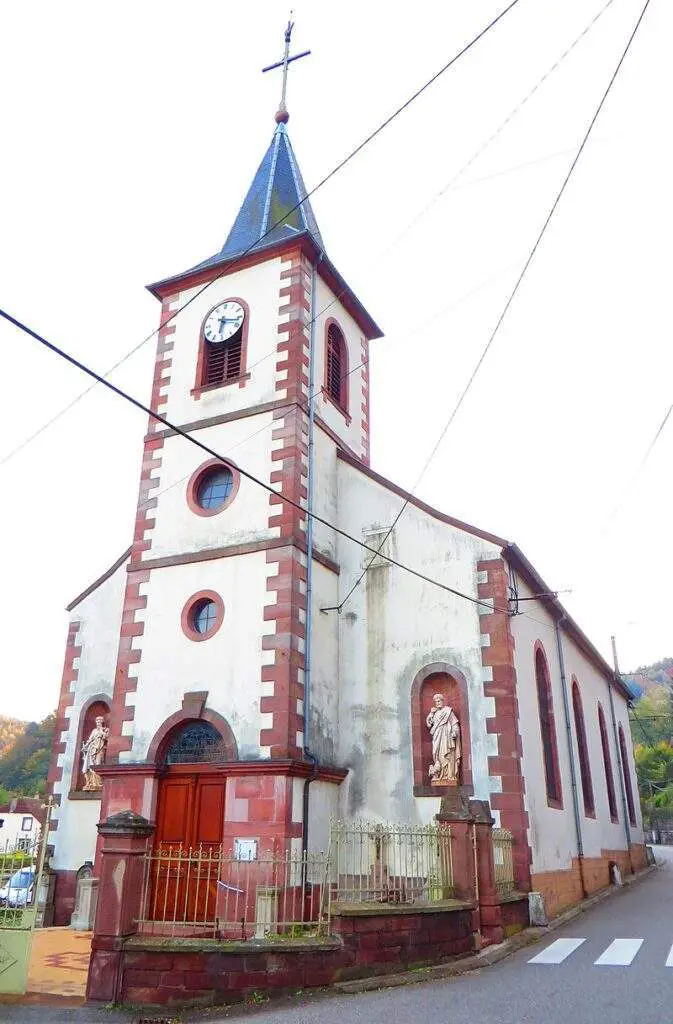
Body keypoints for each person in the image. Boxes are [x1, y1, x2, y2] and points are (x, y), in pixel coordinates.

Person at [426, 694, 461, 784]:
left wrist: (454, 732)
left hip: (447, 737)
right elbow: (429, 724)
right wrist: (431, 714)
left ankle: (449, 776)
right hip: (437, 736)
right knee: (436, 753)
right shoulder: (435, 713)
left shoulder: (448, 711)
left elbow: (455, 725)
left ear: (442, 701)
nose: (438, 703)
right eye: (436, 701)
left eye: (439, 701)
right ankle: (438, 774)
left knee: (448, 755)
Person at [81, 715, 109, 791]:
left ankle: (98, 783)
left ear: (102, 722)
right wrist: (85, 747)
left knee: (97, 764)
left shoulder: (105, 730)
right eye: (97, 721)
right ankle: (91, 783)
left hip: (100, 749)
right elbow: (90, 740)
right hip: (92, 749)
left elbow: (107, 737)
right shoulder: (94, 731)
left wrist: (101, 732)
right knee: (90, 765)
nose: (98, 723)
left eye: (100, 721)